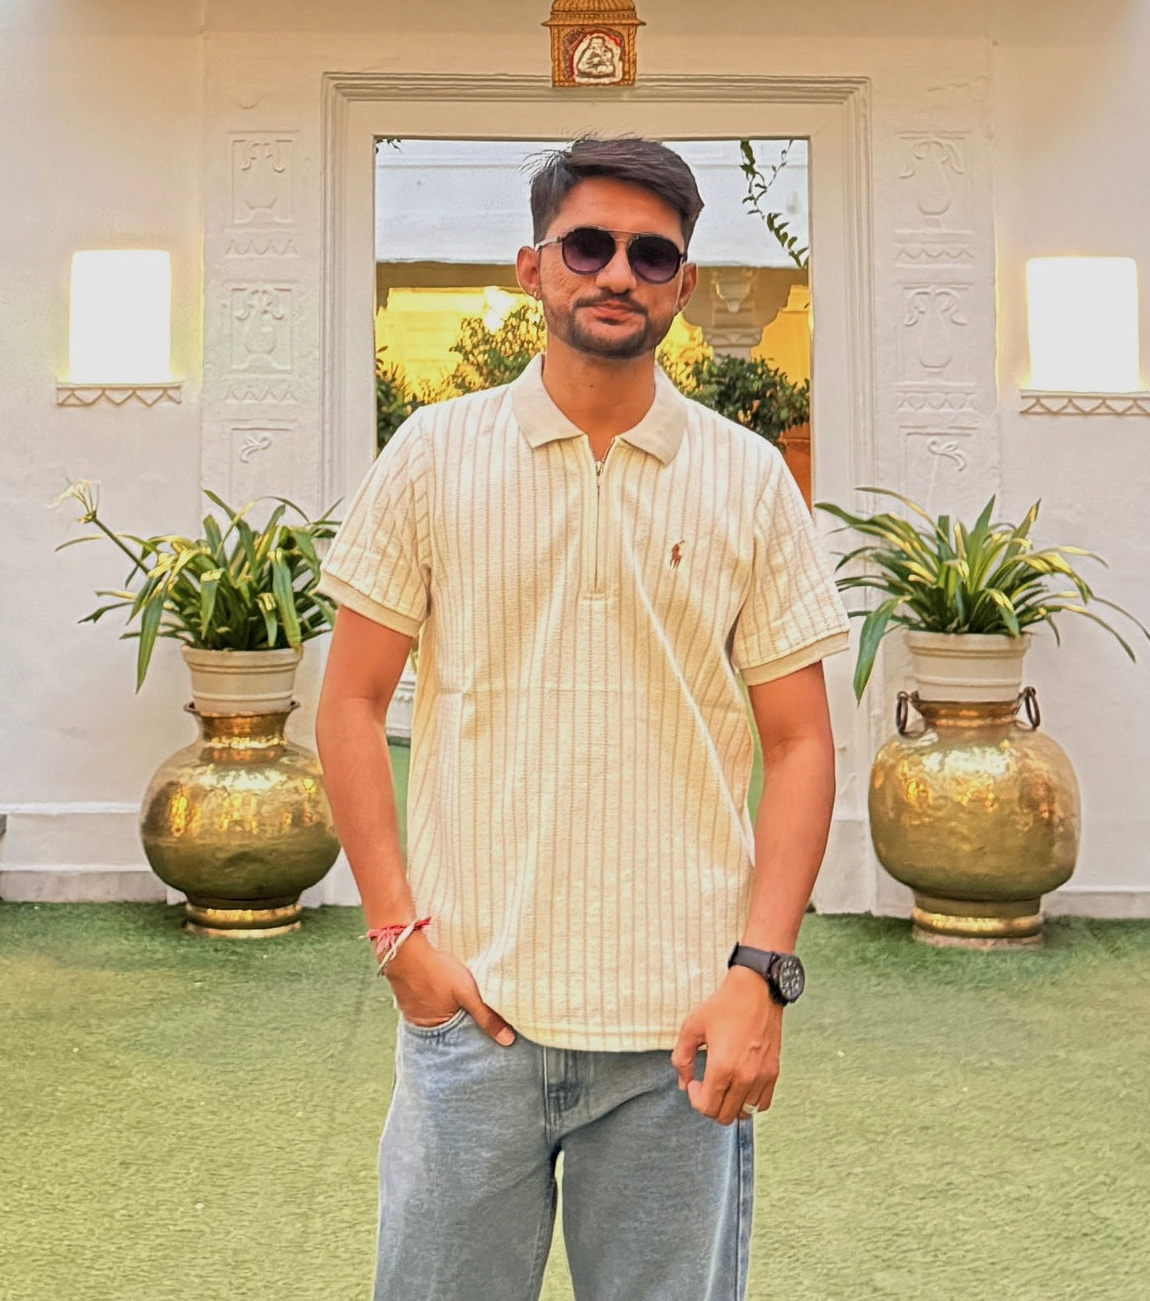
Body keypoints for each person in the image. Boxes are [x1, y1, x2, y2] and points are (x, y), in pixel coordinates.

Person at [315, 136, 848, 1301]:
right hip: (473, 1012)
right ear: (533, 266)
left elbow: (803, 741)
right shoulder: (432, 456)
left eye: (651, 255)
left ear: (682, 285)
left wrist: (760, 974)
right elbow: (349, 701)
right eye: (588, 245)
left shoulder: (750, 477)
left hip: (680, 1027)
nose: (617, 273)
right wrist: (399, 938)